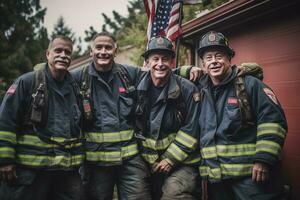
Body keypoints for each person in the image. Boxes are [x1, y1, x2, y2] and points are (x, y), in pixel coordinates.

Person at [196, 31, 288, 199]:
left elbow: (273, 122)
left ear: (229, 59)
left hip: (251, 178)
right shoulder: (200, 90)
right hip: (216, 178)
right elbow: (165, 73)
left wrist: (263, 159)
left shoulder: (251, 85)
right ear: (203, 65)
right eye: (208, 58)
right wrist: (187, 70)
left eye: (219, 56)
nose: (214, 61)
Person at [0, 35, 85, 200]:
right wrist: (4, 160)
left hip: (65, 174)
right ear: (47, 54)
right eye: (58, 50)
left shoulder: (76, 89)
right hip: (30, 173)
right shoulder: (27, 82)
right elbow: (6, 121)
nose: (63, 55)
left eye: (67, 52)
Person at [72, 32, 152, 200]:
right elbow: (52, 78)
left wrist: (187, 70)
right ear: (91, 51)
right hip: (95, 164)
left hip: (130, 161)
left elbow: (158, 74)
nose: (103, 51)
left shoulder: (128, 74)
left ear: (115, 51)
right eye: (99, 47)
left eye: (108, 47)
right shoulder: (78, 78)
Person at [134, 36, 201, 199]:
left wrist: (170, 159)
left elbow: (193, 129)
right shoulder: (135, 86)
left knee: (173, 195)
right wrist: (150, 161)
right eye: (155, 59)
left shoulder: (187, 89)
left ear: (172, 62)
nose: (160, 63)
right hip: (148, 162)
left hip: (182, 162)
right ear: (147, 62)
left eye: (165, 59)